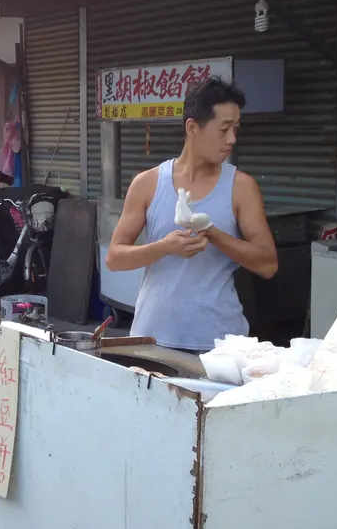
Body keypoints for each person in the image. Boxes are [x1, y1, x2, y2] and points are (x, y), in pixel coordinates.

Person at [105, 77, 278, 353]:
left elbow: (268, 265)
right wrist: (165, 247)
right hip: (153, 338)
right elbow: (114, 258)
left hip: (219, 345)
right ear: (192, 127)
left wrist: (213, 233)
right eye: (223, 130)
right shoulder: (148, 183)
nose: (232, 139)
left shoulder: (241, 188)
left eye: (235, 129)